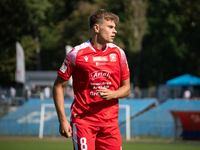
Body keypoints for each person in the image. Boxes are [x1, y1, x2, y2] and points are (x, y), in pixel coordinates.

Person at [53, 9, 130, 150]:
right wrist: (62, 120)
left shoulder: (119, 53)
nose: (115, 31)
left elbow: (126, 88)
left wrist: (113, 94)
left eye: (115, 28)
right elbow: (58, 86)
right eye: (110, 27)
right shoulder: (76, 54)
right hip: (84, 122)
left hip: (110, 124)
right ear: (96, 28)